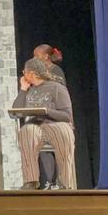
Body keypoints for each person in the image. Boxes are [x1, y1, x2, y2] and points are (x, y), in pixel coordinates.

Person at [14, 58, 76, 190]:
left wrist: (47, 111)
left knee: (63, 133)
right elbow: (17, 111)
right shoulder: (28, 90)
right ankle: (31, 181)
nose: (23, 75)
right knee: (26, 131)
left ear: (31, 74)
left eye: (24, 72)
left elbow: (66, 116)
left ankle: (64, 182)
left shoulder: (57, 87)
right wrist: (23, 89)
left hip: (56, 124)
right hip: (36, 126)